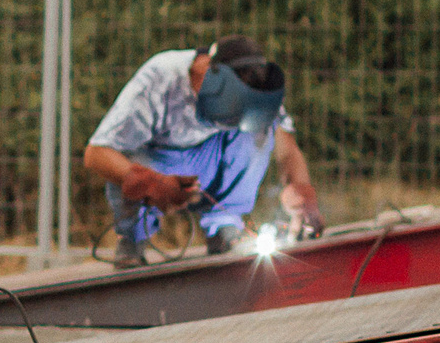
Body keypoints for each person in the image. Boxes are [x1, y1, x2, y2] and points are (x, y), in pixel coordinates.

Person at [81, 35, 321, 266]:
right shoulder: (162, 77)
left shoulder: (256, 89)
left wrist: (301, 193)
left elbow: (287, 149)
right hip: (159, 162)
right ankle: (133, 237)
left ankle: (225, 225)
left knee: (258, 132)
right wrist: (154, 183)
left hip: (210, 162)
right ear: (212, 78)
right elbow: (97, 154)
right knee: (129, 161)